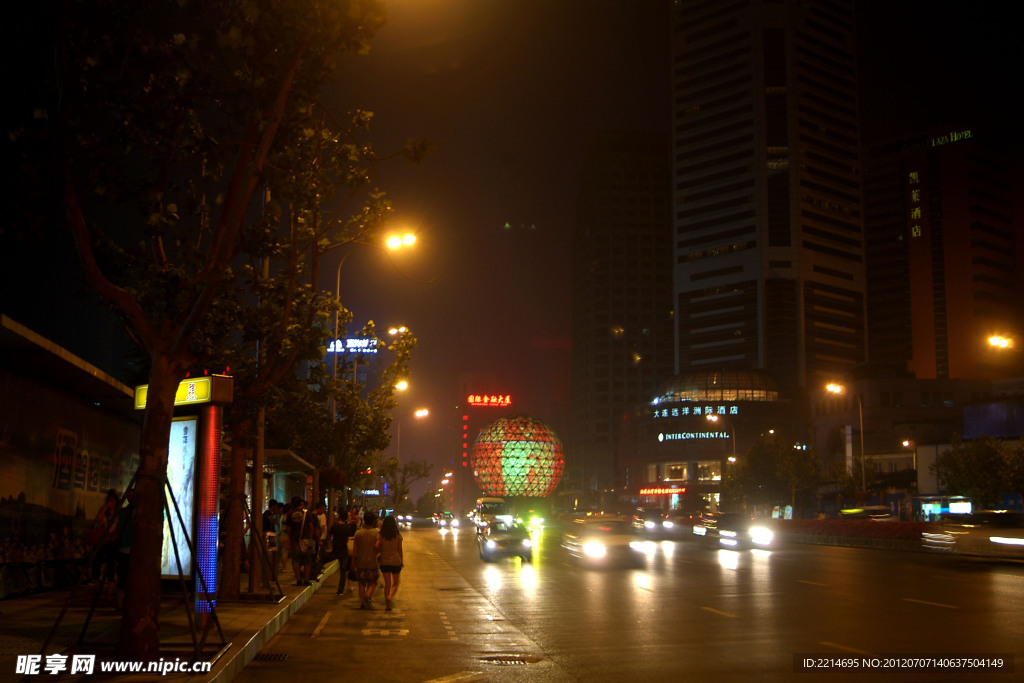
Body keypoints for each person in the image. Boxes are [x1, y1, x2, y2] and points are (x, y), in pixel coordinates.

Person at [375, 514, 404, 611]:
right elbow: (400, 549)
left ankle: (387, 605)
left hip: (384, 561)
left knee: (387, 583)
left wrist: (380, 550)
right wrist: (402, 560)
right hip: (396, 561)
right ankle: (390, 597)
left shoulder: (381, 535)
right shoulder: (398, 536)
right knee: (395, 583)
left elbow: (376, 546)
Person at [351, 511, 379, 609]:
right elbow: (379, 548)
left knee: (361, 584)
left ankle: (363, 603)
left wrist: (352, 563)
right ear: (373, 521)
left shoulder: (358, 533)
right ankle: (368, 595)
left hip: (361, 563)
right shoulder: (377, 533)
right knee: (373, 582)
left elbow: (355, 550)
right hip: (372, 563)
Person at [329, 512, 354, 595]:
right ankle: (340, 590)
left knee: (323, 560)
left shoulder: (335, 526)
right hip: (344, 551)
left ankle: (314, 572)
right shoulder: (347, 527)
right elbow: (347, 539)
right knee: (343, 571)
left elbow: (329, 535)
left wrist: (331, 542)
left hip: (335, 549)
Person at [262, 500, 281, 586]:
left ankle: (272, 576)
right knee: (269, 557)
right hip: (268, 537)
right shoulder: (267, 515)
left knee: (273, 557)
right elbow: (273, 522)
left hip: (272, 536)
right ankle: (268, 577)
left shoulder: (271, 515)